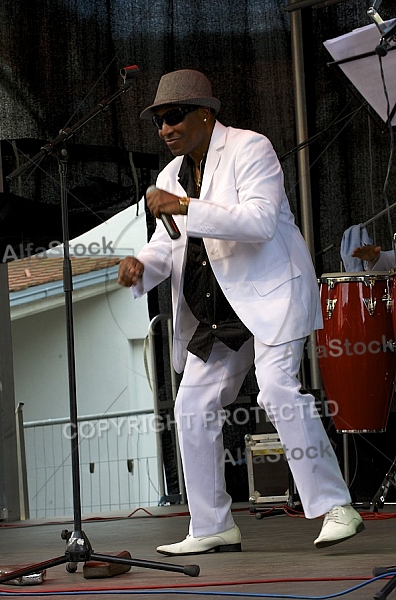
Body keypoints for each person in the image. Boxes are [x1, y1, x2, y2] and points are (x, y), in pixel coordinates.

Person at [118, 69, 364, 555]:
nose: (165, 128)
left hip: (274, 292)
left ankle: (336, 505)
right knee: (192, 405)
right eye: (158, 121)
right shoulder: (172, 175)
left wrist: (186, 206)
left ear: (205, 114)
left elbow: (258, 221)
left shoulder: (252, 148)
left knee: (276, 389)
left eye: (173, 117)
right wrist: (139, 266)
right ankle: (210, 525)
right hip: (218, 307)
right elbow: (167, 246)